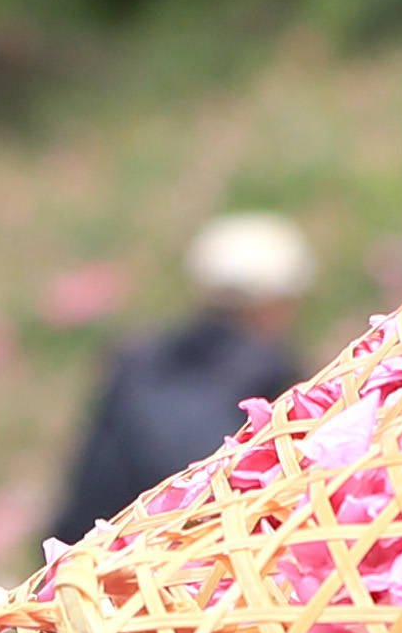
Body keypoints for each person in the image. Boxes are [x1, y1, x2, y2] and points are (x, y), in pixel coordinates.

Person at [45, 211, 315, 546]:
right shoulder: (272, 377)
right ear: (278, 303)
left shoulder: (138, 365)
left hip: (106, 563)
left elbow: (88, 492)